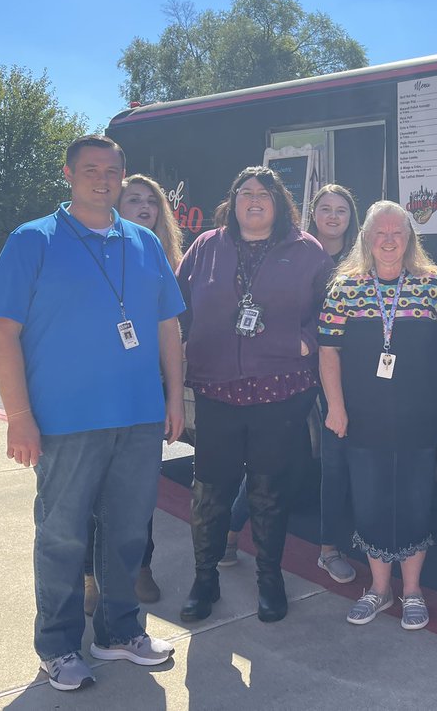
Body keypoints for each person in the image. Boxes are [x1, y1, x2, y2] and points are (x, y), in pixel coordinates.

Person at [0, 135, 185, 691]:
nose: (102, 179)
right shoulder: (33, 240)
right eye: (90, 169)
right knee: (62, 537)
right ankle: (58, 645)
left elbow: (168, 325)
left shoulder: (144, 241)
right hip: (65, 421)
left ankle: (119, 632)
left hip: (138, 416)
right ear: (68, 174)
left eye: (112, 170)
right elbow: (3, 331)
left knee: (127, 532)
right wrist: (18, 416)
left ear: (123, 175)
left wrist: (173, 398)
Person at [175, 165, 332, 624]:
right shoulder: (206, 247)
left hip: (279, 391)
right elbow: (176, 305)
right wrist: (184, 346)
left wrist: (306, 342)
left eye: (265, 192)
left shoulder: (306, 250)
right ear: (233, 200)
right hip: (216, 387)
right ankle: (205, 579)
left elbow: (330, 311)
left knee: (268, 491)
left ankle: (269, 579)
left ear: (280, 202)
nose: (255, 199)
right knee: (210, 491)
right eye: (246, 192)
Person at [317, 201, 437, 629]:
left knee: (415, 503)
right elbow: (328, 350)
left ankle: (412, 591)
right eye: (380, 233)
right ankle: (379, 589)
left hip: (419, 418)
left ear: (410, 238)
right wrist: (336, 407)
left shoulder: (434, 285)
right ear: (367, 239)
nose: (389, 240)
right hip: (362, 419)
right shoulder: (345, 287)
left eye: (397, 232)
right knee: (371, 502)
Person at [221, 184, 363, 582]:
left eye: (341, 210)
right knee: (271, 457)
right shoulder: (293, 250)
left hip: (344, 371)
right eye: (325, 208)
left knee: (336, 461)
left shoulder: (361, 259)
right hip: (292, 369)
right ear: (312, 213)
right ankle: (229, 532)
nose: (333, 216)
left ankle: (329, 549)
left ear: (351, 218)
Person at [84, 173, 185, 613]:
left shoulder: (168, 261)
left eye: (152, 201)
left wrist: (174, 396)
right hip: (95, 390)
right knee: (92, 489)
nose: (145, 207)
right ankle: (90, 576)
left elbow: (172, 330)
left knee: (140, 491)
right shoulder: (93, 254)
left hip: (146, 391)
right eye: (134, 199)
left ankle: (140, 566)